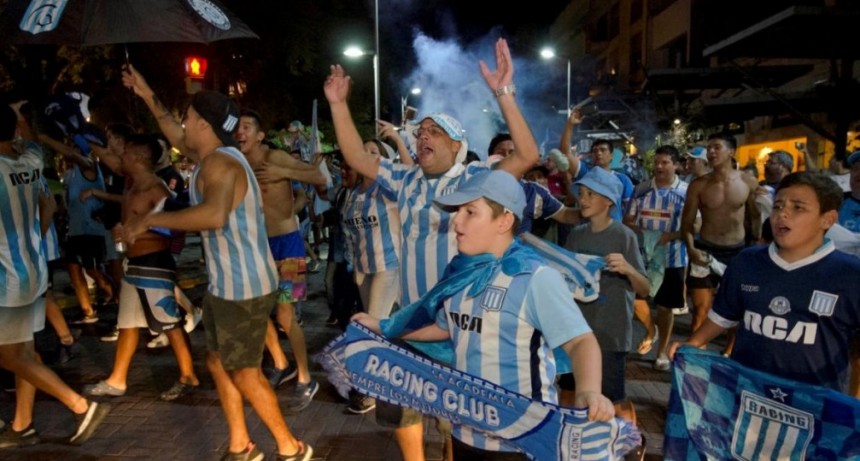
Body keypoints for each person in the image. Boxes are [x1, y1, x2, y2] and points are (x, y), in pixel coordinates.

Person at [325, 38, 539, 461]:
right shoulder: (404, 179)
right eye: (420, 131)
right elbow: (355, 155)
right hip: (410, 314)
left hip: (459, 322)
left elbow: (528, 154)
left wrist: (504, 94)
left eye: (434, 132)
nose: (423, 136)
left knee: (454, 419)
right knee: (404, 405)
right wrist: (337, 105)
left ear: (458, 145)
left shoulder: (477, 177)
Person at [354, 169, 615, 459]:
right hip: (466, 431)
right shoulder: (460, 275)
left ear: (504, 220)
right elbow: (445, 328)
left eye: (470, 212)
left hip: (522, 437)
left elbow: (580, 342)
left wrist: (589, 391)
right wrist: (383, 326)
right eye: (458, 211)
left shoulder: (535, 277)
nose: (457, 220)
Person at [122, 66, 312, 461]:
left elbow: (213, 216)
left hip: (243, 288)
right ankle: (240, 444)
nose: (183, 125)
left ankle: (291, 448)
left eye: (189, 118)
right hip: (227, 285)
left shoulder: (220, 165)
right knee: (217, 360)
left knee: (244, 370)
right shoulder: (213, 154)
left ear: (205, 124)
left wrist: (149, 218)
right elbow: (173, 133)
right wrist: (146, 93)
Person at [669, 171, 860, 394]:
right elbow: (723, 315)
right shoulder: (747, 262)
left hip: (813, 404)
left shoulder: (849, 274)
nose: (782, 214)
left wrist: (853, 403)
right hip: (749, 393)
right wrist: (692, 343)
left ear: (828, 219)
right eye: (778, 206)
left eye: (797, 208)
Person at [0, 103, 110, 447]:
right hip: (32, 269)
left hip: (7, 278)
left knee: (9, 356)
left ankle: (79, 406)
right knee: (26, 352)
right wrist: (21, 118)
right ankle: (22, 424)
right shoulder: (30, 161)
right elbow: (34, 148)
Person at [83, 134, 200, 402]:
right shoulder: (132, 186)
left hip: (154, 264)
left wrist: (138, 232)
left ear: (138, 157)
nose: (121, 157)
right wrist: (122, 231)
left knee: (170, 323)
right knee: (127, 324)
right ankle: (117, 379)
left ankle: (188, 375)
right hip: (133, 264)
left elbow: (171, 225)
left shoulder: (156, 189)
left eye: (125, 153)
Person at [235, 109, 325, 411]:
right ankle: (280, 362)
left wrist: (283, 173)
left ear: (260, 135)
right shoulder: (236, 163)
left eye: (247, 126)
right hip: (258, 249)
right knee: (258, 314)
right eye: (237, 127)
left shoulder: (275, 158)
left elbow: (317, 175)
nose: (240, 131)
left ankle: (305, 378)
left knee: (286, 316)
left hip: (288, 246)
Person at [560, 167, 649, 421]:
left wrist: (628, 269)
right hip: (576, 332)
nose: (583, 199)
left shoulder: (624, 236)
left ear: (608, 201)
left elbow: (644, 288)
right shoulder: (576, 235)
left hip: (611, 333)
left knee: (612, 400)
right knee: (568, 392)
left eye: (591, 194)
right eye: (582, 193)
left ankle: (630, 442)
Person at [338, 138, 403, 414]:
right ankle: (393, 376)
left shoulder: (388, 189)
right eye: (362, 149)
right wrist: (353, 265)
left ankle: (369, 391)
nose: (365, 154)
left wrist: (399, 140)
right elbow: (349, 233)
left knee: (371, 327)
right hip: (364, 268)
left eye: (373, 152)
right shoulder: (352, 194)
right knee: (379, 324)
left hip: (389, 265)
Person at [681, 132, 760, 355]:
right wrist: (692, 249)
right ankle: (696, 357)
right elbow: (686, 223)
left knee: (736, 310)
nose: (711, 152)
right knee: (700, 309)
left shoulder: (747, 181)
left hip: (737, 252)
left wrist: (754, 249)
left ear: (731, 151)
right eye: (709, 148)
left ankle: (728, 354)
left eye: (717, 147)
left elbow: (754, 217)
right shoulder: (698, 185)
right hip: (705, 251)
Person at [623, 146, 688, 371]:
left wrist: (672, 235)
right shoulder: (641, 189)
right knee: (635, 299)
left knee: (665, 306)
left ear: (676, 165)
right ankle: (651, 330)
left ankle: (661, 352)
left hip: (673, 257)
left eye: (665, 163)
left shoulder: (687, 192)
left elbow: (695, 224)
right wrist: (639, 231)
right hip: (641, 255)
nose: (659, 167)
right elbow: (628, 217)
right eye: (657, 163)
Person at [560, 110, 634, 221]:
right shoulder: (586, 174)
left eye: (603, 150)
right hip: (588, 230)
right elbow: (565, 153)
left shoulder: (623, 180)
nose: (598, 153)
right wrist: (570, 125)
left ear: (612, 155)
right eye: (595, 151)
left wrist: (623, 231)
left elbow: (630, 209)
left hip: (613, 231)